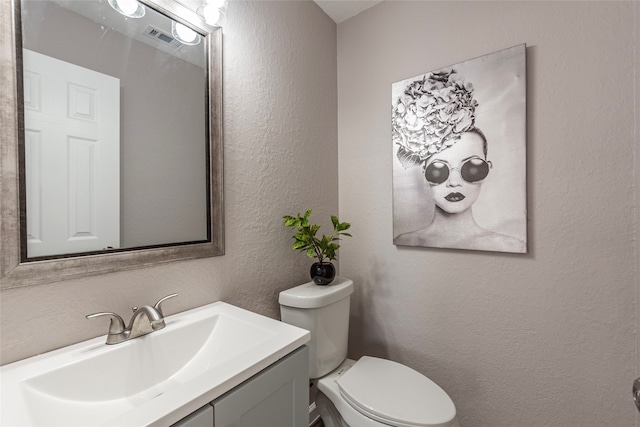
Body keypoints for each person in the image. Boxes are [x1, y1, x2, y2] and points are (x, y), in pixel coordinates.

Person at [392, 70, 525, 253]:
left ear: (488, 169)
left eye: (472, 168)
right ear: (424, 173)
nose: (454, 182)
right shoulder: (405, 241)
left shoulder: (511, 246)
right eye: (439, 170)